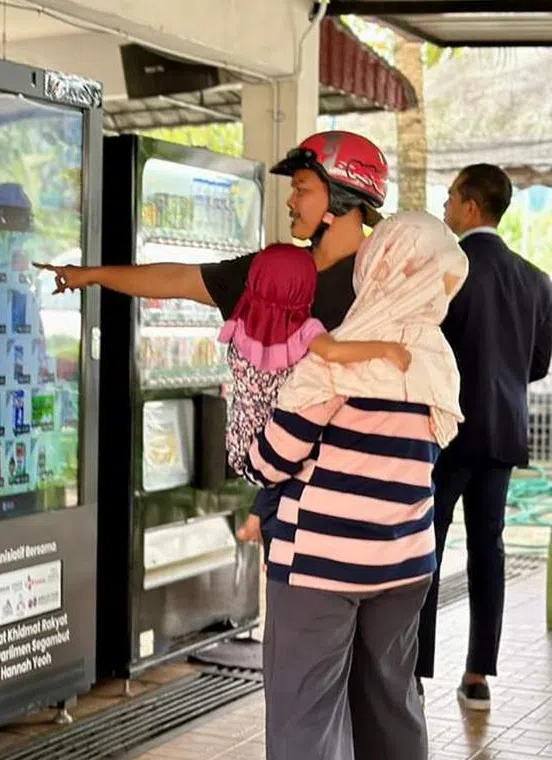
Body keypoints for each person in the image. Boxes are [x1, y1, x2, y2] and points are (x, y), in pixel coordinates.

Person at [37, 130, 390, 544]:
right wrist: (91, 275)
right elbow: (180, 278)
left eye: (301, 189)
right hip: (294, 492)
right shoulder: (272, 275)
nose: (291, 201)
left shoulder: (385, 278)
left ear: (341, 197)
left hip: (372, 490)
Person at [247, 210, 467, 759]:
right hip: (407, 563)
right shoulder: (439, 360)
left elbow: (272, 461)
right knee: (391, 701)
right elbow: (429, 447)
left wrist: (251, 438)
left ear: (376, 266)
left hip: (321, 565)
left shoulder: (337, 356)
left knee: (308, 715)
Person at [415, 164, 552, 710]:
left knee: (425, 545)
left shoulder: (447, 273)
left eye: (451, 196)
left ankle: (415, 669)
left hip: (445, 431)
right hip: (503, 432)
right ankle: (478, 675)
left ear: (472, 206)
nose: (446, 205)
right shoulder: (536, 279)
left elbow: (426, 349)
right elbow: (538, 365)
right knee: (488, 550)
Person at [217, 242, 411, 504]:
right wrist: (386, 349)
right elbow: (333, 353)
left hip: (239, 444)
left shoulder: (243, 318)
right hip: (277, 446)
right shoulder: (305, 328)